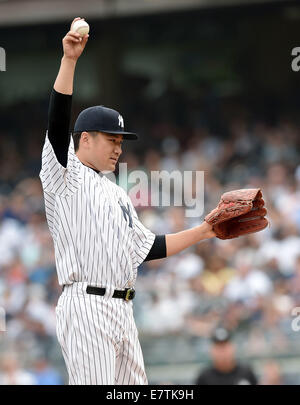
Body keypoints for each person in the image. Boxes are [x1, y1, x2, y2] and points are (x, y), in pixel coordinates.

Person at [39, 17, 216, 385]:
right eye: (111, 140)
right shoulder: (64, 175)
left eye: (121, 142)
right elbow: (57, 126)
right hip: (86, 305)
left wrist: (206, 230)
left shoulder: (116, 192)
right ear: (85, 139)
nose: (119, 148)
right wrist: (69, 60)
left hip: (123, 308)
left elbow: (147, 247)